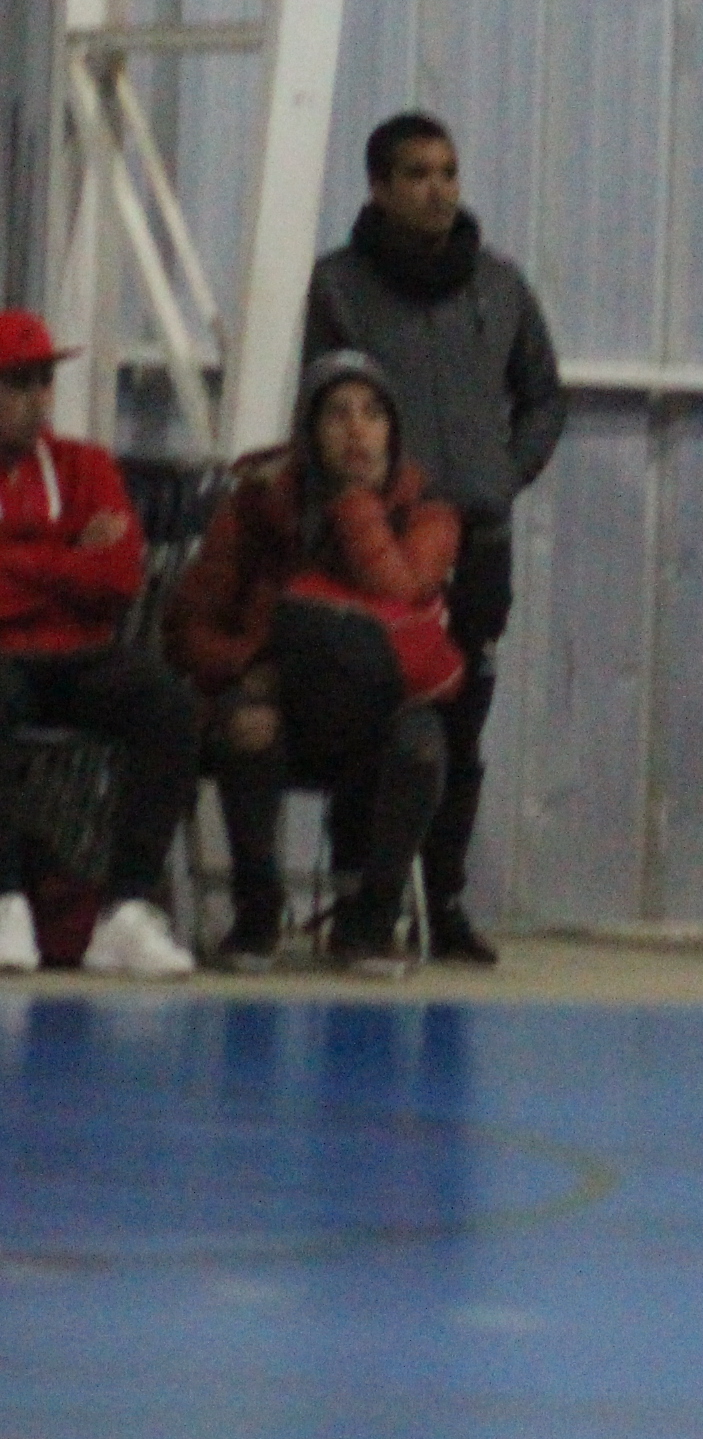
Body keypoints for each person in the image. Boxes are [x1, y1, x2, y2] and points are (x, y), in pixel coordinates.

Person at [303, 111, 566, 968]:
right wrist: (360, 499)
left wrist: (502, 476)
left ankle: (443, 903)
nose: (438, 189)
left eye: (448, 172)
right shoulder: (338, 287)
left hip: (477, 542)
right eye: (416, 174)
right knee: (373, 719)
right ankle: (361, 898)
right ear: (378, 187)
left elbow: (545, 398)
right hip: (375, 545)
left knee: (462, 723)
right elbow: (314, 403)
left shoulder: (501, 286)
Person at [169, 352, 464, 974]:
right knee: (248, 726)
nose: (357, 430)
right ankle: (257, 912)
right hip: (278, 704)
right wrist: (248, 666)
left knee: (422, 744)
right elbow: (188, 626)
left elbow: (399, 588)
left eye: (373, 414)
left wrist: (354, 504)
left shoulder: (427, 509)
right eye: (337, 414)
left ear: (394, 431)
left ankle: (371, 922)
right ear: (309, 429)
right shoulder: (257, 502)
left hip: (375, 710)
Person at [0, 308, 199, 976]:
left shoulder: (86, 466)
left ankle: (127, 909)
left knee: (168, 704)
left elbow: (118, 579)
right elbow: (86, 575)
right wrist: (69, 557)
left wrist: (19, 562)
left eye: (43, 381)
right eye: (17, 383)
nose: (37, 398)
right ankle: (5, 900)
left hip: (78, 656)